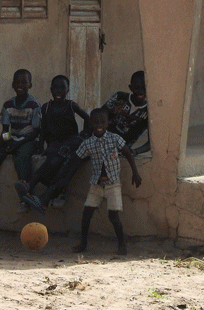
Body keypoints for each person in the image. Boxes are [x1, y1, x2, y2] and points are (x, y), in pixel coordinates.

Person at [24, 108, 142, 255]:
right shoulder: (88, 143)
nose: (99, 125)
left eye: (102, 122)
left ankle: (121, 245)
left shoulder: (114, 138)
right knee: (86, 214)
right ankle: (83, 244)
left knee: (113, 216)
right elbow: (76, 160)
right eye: (96, 122)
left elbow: (128, 153)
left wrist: (135, 173)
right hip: (96, 184)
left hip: (113, 184)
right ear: (91, 124)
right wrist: (65, 180)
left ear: (108, 123)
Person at [14, 75, 90, 211]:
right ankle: (35, 191)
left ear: (68, 90)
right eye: (56, 88)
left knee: (59, 156)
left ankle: (34, 187)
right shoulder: (46, 107)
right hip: (54, 142)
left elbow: (87, 118)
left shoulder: (71, 105)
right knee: (53, 155)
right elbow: (43, 129)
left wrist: (83, 135)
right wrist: (40, 146)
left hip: (69, 141)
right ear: (51, 90)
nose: (59, 91)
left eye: (62, 88)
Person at [0, 69, 41, 213]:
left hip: (28, 140)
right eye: (17, 82)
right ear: (12, 84)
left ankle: (25, 199)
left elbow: (36, 131)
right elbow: (5, 131)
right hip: (13, 140)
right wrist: (8, 142)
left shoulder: (34, 105)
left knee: (22, 158)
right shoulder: (8, 105)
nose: (20, 85)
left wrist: (17, 144)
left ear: (30, 85)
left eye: (24, 82)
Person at [104, 70, 150, 155]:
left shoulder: (148, 112)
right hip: (102, 139)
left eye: (144, 88)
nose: (141, 91)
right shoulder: (120, 97)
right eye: (137, 88)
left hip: (120, 148)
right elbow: (101, 114)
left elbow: (151, 143)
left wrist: (134, 151)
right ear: (130, 88)